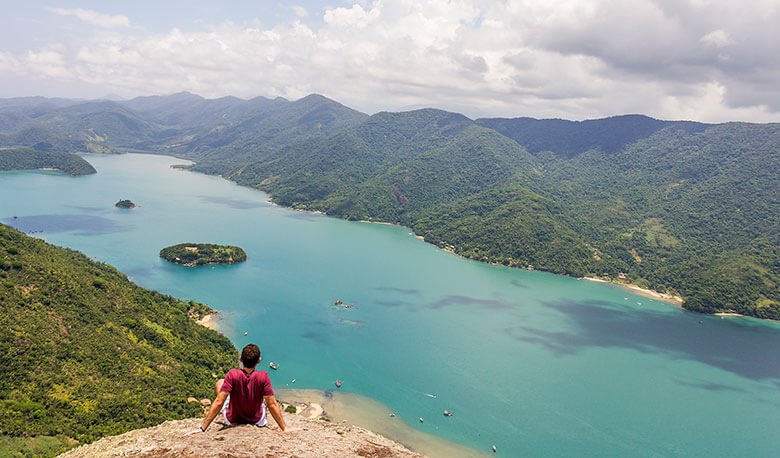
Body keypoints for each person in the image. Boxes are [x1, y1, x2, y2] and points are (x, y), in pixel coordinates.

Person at [199, 344, 286, 433]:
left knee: (220, 383)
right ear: (258, 360)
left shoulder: (232, 374)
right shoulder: (263, 376)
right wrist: (284, 428)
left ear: (240, 359)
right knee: (266, 398)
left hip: (232, 420)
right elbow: (272, 405)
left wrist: (203, 428)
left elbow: (219, 402)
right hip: (257, 420)